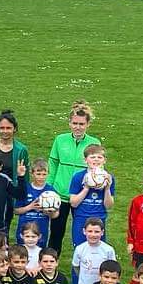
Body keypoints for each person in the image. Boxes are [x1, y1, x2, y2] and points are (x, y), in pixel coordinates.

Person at [46, 103, 101, 252]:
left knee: (83, 232)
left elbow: (97, 167)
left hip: (81, 195)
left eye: (81, 124)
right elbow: (53, 164)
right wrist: (49, 188)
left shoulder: (94, 142)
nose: (78, 127)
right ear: (69, 123)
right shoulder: (60, 140)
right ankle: (52, 263)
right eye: (75, 123)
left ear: (88, 124)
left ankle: (84, 262)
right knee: (56, 232)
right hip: (60, 194)